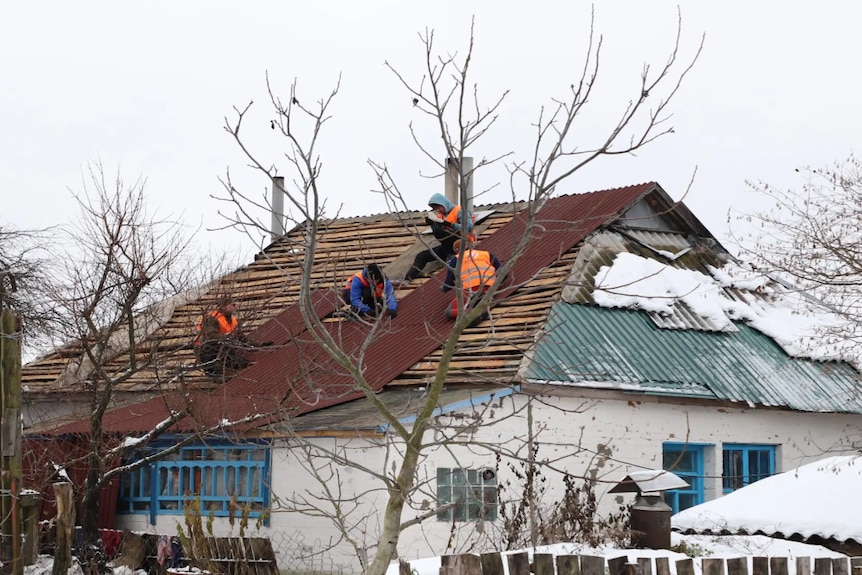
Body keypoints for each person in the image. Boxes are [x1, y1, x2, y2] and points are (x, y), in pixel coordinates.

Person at [401, 193, 475, 283]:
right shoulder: (441, 216)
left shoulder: (460, 211)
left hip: (462, 243)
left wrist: (449, 224)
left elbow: (468, 227)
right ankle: (407, 279)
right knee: (422, 256)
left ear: (444, 204)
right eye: (436, 208)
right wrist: (433, 223)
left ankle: (450, 255)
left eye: (439, 207)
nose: (438, 210)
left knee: (437, 229)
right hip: (448, 246)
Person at [195, 295, 267, 379]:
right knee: (216, 355)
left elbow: (242, 338)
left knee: (241, 363)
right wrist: (227, 338)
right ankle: (216, 375)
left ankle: (228, 370)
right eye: (232, 305)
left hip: (224, 349)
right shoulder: (211, 318)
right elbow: (210, 336)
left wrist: (259, 345)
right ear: (223, 306)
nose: (235, 307)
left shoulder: (233, 321)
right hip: (206, 350)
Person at [441, 239, 502, 321]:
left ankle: (475, 313)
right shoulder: (486, 254)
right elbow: (503, 273)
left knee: (448, 311)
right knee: (475, 301)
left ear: (456, 250)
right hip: (491, 288)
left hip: (471, 290)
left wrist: (443, 288)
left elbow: (449, 283)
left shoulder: (456, 259)